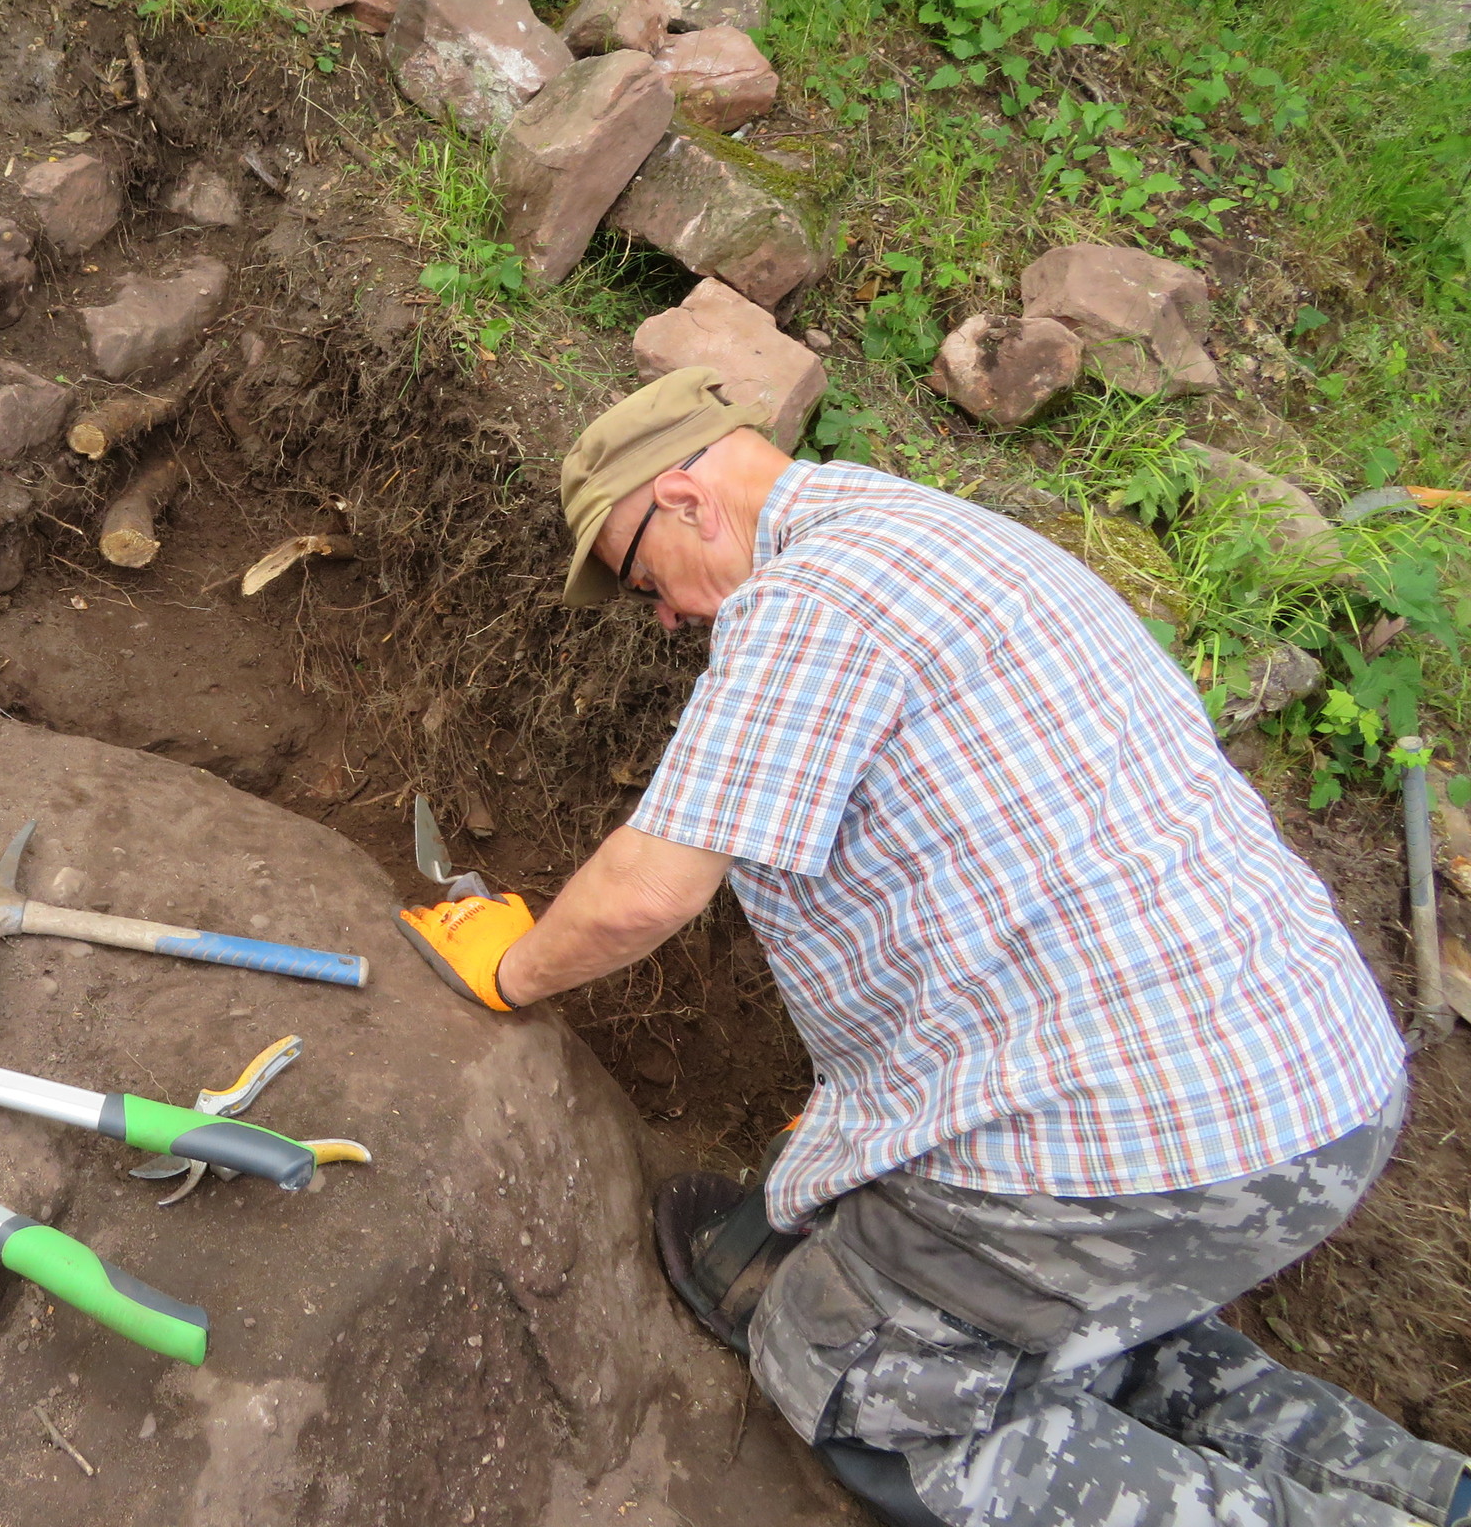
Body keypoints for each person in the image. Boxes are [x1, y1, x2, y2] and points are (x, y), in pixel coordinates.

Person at [394, 367, 1470, 1527]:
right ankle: (1423, 1490)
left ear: (687, 498)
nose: (658, 615)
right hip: (1312, 1093)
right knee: (1084, 1319)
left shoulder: (813, 599)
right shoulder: (959, 542)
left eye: (642, 577)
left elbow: (646, 893)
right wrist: (885, 1106)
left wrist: (508, 968)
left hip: (1131, 1133)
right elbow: (1001, 877)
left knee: (841, 1369)